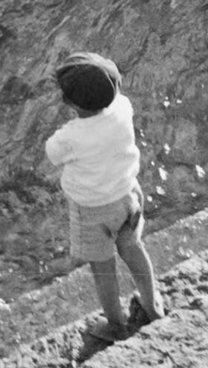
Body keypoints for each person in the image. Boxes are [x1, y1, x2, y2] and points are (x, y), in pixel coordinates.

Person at [43, 52, 163, 343]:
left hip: (92, 210)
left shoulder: (70, 136)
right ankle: (152, 305)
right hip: (128, 196)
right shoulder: (123, 108)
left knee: (103, 268)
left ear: (70, 103)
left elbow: (52, 153)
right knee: (133, 249)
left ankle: (115, 325)